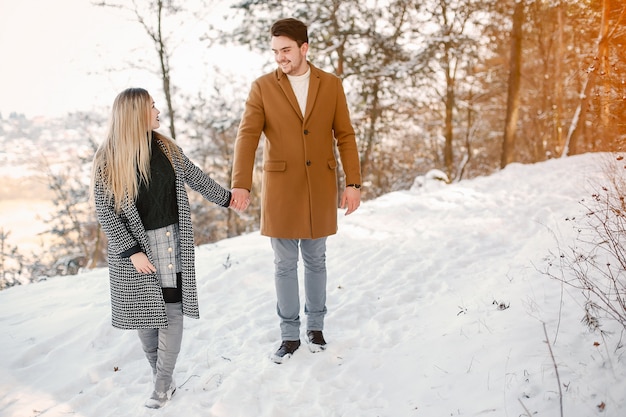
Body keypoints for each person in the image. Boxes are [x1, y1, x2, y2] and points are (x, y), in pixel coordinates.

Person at [90, 88, 234, 408]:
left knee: (171, 312)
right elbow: (105, 212)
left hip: (170, 241)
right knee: (145, 319)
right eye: (152, 106)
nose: (158, 111)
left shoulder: (166, 148)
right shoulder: (108, 158)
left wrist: (227, 198)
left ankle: (163, 383)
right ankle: (160, 374)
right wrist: (132, 251)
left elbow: (196, 177)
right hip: (135, 250)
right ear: (136, 113)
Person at [230, 18, 362, 364]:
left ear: (304, 48)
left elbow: (345, 135)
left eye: (286, 50)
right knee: (284, 264)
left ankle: (315, 327)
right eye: (275, 52)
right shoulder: (262, 87)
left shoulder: (331, 84)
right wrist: (240, 183)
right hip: (281, 189)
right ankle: (289, 335)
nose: (280, 58)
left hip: (320, 185)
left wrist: (353, 183)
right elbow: (248, 136)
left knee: (316, 260)